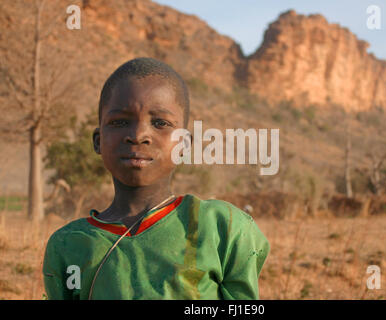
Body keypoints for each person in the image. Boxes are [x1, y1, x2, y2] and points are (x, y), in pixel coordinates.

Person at [42, 57, 270, 300]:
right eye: (119, 122)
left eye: (160, 123)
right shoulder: (68, 245)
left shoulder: (223, 228)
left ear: (183, 144)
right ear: (98, 141)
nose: (139, 135)